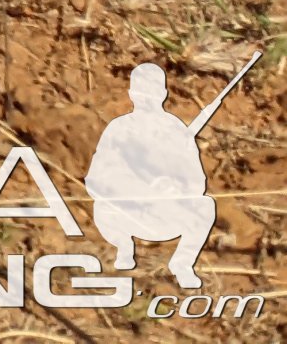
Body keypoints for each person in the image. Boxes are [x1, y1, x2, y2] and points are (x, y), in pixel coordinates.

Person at [86, 64, 217, 288]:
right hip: (127, 214)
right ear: (131, 94)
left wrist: (176, 188)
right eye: (141, 91)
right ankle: (124, 249)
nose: (147, 98)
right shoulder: (119, 128)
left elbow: (197, 183)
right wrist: (136, 190)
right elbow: (95, 180)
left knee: (205, 206)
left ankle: (182, 263)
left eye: (153, 91)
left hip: (165, 214)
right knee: (101, 206)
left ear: (163, 94)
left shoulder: (176, 130)